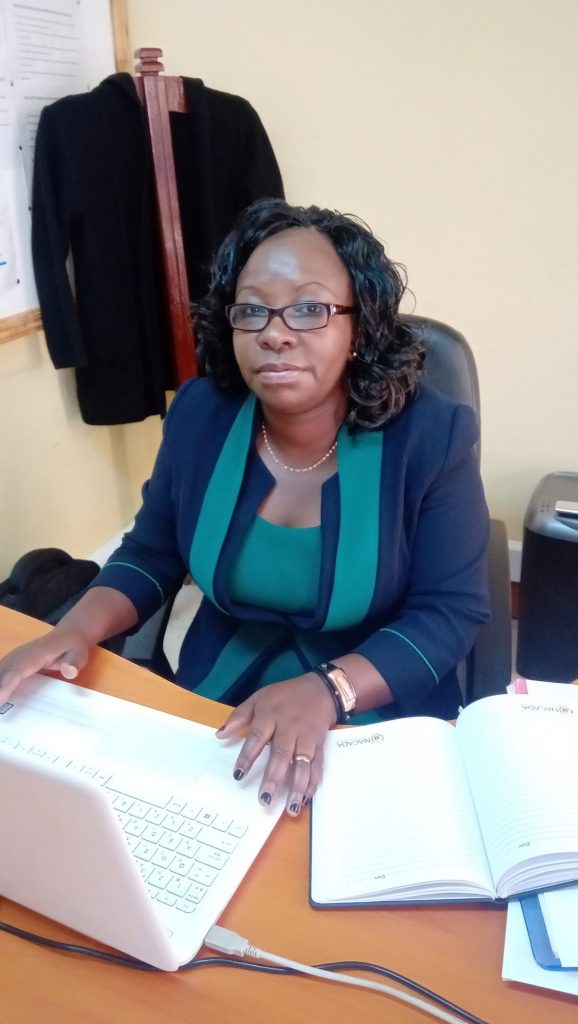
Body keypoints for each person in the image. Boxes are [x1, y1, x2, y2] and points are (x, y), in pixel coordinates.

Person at [0, 199, 490, 815]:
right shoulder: (201, 415)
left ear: (359, 329)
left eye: (309, 308)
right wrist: (73, 629)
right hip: (218, 697)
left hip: (374, 700)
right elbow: (151, 552)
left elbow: (450, 610)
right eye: (252, 309)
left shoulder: (432, 436)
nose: (274, 332)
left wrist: (331, 690)